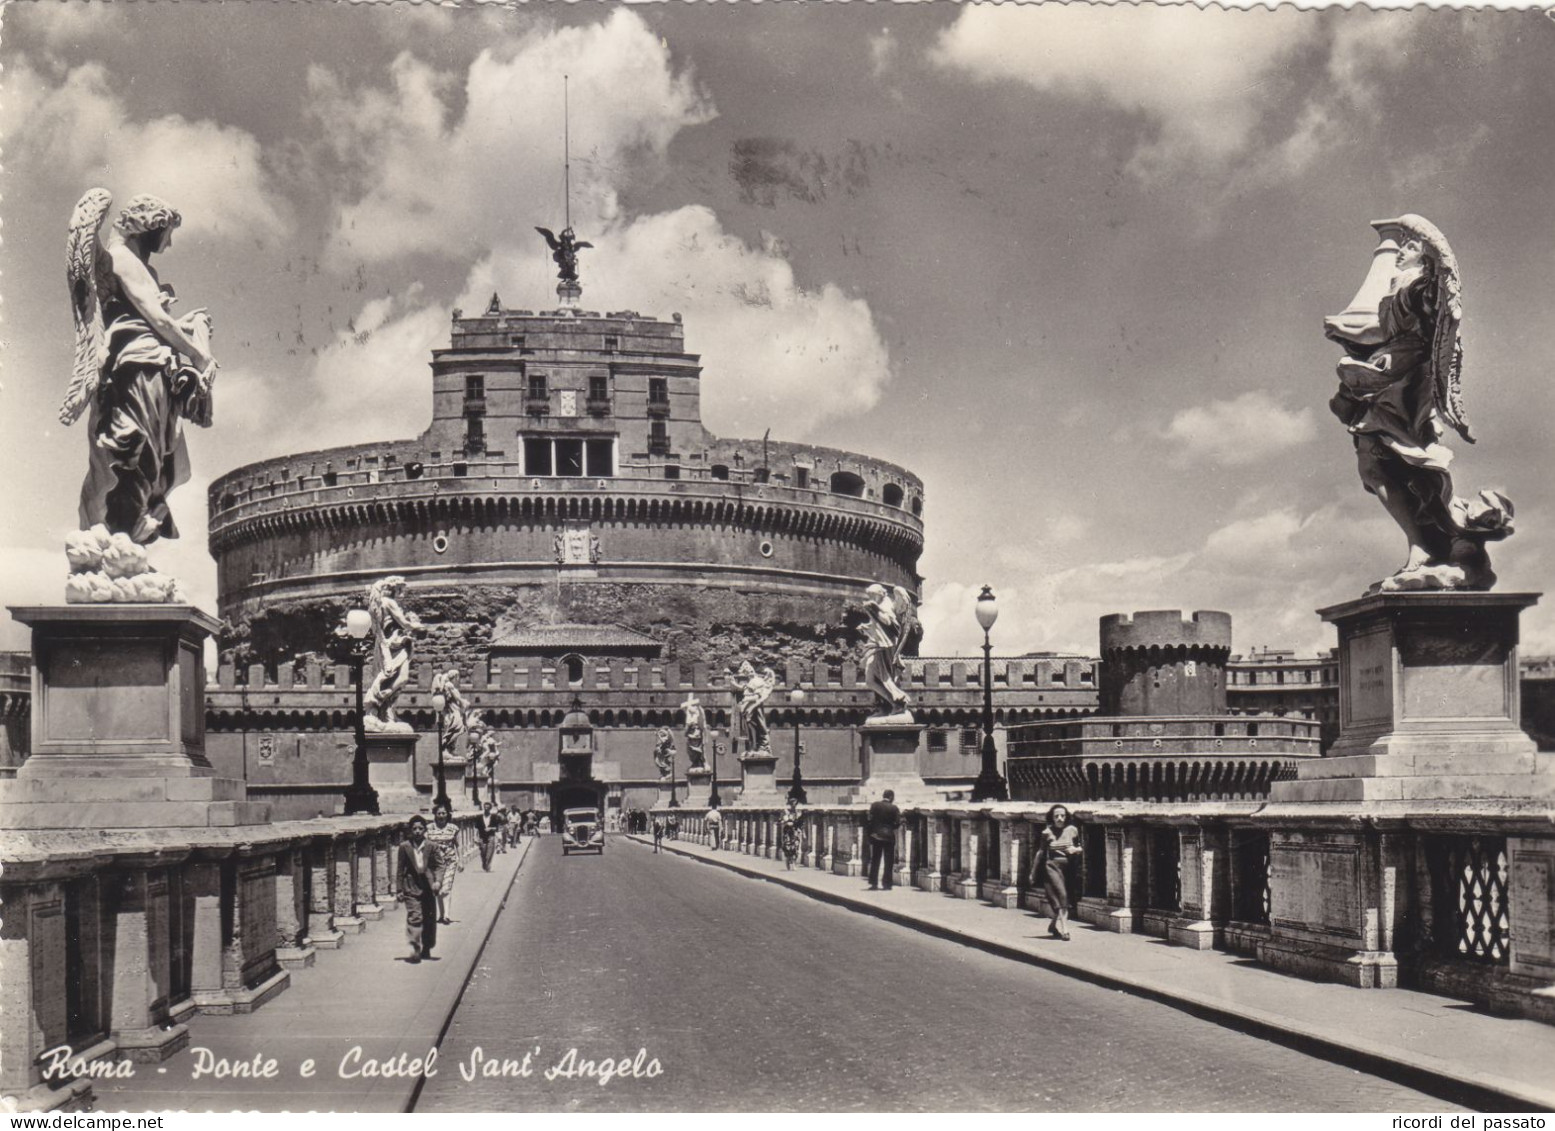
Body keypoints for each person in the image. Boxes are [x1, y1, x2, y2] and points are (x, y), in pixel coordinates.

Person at [65, 190, 217, 546]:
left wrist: (191, 326)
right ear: (148, 227)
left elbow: (156, 323)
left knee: (168, 460)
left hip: (153, 368)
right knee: (137, 452)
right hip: (136, 369)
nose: (168, 244)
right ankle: (124, 530)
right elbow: (158, 321)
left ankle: (132, 528)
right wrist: (199, 354)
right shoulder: (121, 258)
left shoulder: (144, 268)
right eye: (166, 234)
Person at [1032, 804, 1082, 940]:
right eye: (1056, 816)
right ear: (1052, 818)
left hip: (1068, 868)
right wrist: (1033, 872)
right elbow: (1041, 852)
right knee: (1062, 896)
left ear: (1066, 817)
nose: (1060, 818)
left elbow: (1079, 847)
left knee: (1064, 899)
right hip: (1052, 867)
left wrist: (1075, 850)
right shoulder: (1047, 833)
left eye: (1062, 816)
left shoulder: (1073, 830)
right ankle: (1065, 930)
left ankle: (1053, 925)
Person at [397, 815, 438, 962]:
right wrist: (399, 889)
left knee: (428, 918)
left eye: (421, 828)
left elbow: (439, 865)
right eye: (414, 828)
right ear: (410, 830)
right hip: (411, 886)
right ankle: (415, 946)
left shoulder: (431, 846)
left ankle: (427, 947)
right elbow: (400, 869)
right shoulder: (404, 847)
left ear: (425, 830)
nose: (417, 831)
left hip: (428, 887)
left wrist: (437, 881)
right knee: (415, 916)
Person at [424, 803, 460, 925]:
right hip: (434, 864)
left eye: (443, 813)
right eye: (438, 813)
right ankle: (441, 915)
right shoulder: (428, 829)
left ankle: (447, 916)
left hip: (450, 861)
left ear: (447, 814)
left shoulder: (453, 828)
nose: (441, 816)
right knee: (438, 889)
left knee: (447, 888)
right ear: (435, 814)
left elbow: (457, 845)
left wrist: (460, 861)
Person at [865, 788, 901, 890]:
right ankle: (887, 884)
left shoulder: (875, 805)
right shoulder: (894, 808)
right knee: (888, 861)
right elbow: (897, 823)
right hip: (889, 837)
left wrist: (871, 833)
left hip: (876, 836)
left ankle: (874, 883)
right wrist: (890, 828)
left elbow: (869, 820)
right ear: (891, 797)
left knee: (875, 860)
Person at [780, 798, 805, 871]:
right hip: (788, 832)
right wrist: (786, 821)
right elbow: (783, 820)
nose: (794, 804)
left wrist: (802, 832)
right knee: (788, 848)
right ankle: (788, 862)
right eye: (792, 803)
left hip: (795, 832)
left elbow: (800, 823)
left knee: (796, 848)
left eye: (795, 803)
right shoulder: (785, 811)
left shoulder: (798, 812)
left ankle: (793, 863)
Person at [476, 801, 499, 871]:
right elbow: (476, 828)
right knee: (483, 852)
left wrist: (490, 828)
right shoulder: (479, 818)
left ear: (490, 809)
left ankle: (488, 865)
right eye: (485, 807)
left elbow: (496, 828)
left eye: (488, 808)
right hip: (482, 836)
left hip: (491, 836)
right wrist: (475, 837)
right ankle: (484, 862)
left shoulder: (493, 817)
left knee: (489, 852)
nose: (486, 809)